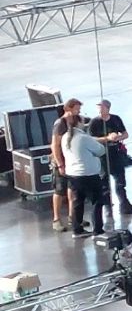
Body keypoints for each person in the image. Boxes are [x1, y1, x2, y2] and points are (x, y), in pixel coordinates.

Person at [88, 99, 132, 216]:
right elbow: (91, 139)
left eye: (101, 107)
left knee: (120, 181)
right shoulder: (94, 122)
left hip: (116, 153)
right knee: (104, 182)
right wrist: (106, 138)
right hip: (102, 155)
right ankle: (107, 207)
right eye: (98, 107)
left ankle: (124, 205)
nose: (99, 110)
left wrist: (118, 137)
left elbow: (126, 134)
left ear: (107, 108)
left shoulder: (116, 119)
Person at [63, 115, 109, 238]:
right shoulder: (83, 138)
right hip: (88, 175)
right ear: (79, 123)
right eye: (83, 121)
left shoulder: (64, 137)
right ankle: (98, 230)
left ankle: (77, 230)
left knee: (78, 202)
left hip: (73, 175)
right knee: (97, 201)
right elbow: (100, 150)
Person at [46, 98, 79, 229]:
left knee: (72, 190)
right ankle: (56, 220)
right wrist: (60, 164)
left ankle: (73, 217)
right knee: (59, 191)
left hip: (71, 161)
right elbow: (54, 145)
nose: (78, 111)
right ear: (68, 109)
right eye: (76, 108)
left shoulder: (76, 120)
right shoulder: (60, 123)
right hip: (60, 162)